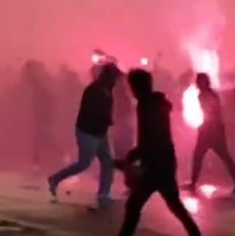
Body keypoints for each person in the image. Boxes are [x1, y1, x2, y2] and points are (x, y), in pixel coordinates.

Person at [117, 69, 201, 236]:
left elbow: (148, 137)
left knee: (134, 208)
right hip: (165, 161)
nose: (131, 90)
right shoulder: (158, 102)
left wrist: (132, 157)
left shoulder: (145, 105)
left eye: (131, 86)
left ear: (137, 86)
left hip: (154, 164)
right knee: (175, 206)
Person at [48, 63, 120, 207]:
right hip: (88, 132)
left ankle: (104, 193)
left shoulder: (106, 89)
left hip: (99, 131)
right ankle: (55, 179)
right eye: (115, 78)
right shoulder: (95, 90)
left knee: (107, 161)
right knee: (84, 163)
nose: (116, 81)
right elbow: (91, 111)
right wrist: (106, 120)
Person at [186, 73, 235, 197]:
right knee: (202, 156)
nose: (197, 84)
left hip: (212, 130)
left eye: (199, 81)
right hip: (211, 129)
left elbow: (213, 113)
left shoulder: (206, 95)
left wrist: (208, 127)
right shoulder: (206, 94)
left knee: (220, 156)